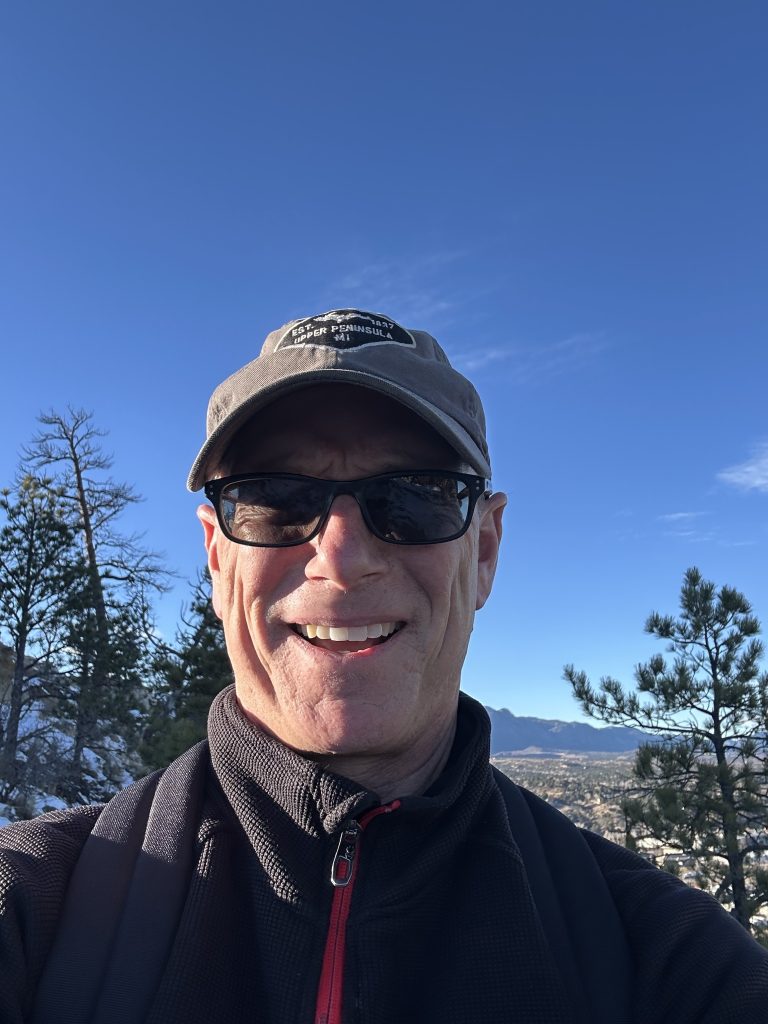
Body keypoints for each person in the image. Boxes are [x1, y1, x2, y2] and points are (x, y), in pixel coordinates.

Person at [1, 307, 767, 1024]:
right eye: (273, 499)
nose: (341, 557)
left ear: (486, 550)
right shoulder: (33, 910)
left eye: (415, 496)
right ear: (216, 558)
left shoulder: (674, 966)